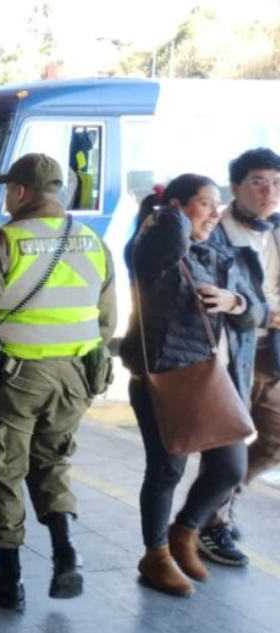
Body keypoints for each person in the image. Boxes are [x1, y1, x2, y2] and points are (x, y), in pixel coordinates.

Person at [0, 154, 116, 610]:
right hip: (75, 377)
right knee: (52, 462)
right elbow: (107, 320)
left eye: (9, 187)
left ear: (21, 192)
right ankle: (66, 551)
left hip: (16, 380)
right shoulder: (92, 242)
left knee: (1, 468)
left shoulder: (3, 243)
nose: (7, 194)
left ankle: (7, 577)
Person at [121, 173, 261, 597]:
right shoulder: (154, 250)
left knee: (230, 468)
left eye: (217, 204)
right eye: (205, 203)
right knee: (166, 470)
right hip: (165, 377)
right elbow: (168, 242)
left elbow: (255, 310)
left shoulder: (220, 254)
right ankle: (156, 554)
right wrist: (169, 212)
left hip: (214, 379)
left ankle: (184, 532)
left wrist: (233, 302)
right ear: (178, 208)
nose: (216, 212)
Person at [200, 148, 280, 566]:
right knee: (226, 446)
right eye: (259, 182)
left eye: (276, 182)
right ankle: (211, 524)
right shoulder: (217, 231)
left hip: (274, 352)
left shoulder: (278, 229)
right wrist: (264, 311)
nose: (269, 191)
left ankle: (218, 506)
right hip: (231, 355)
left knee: (274, 441)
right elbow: (218, 300)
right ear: (236, 187)